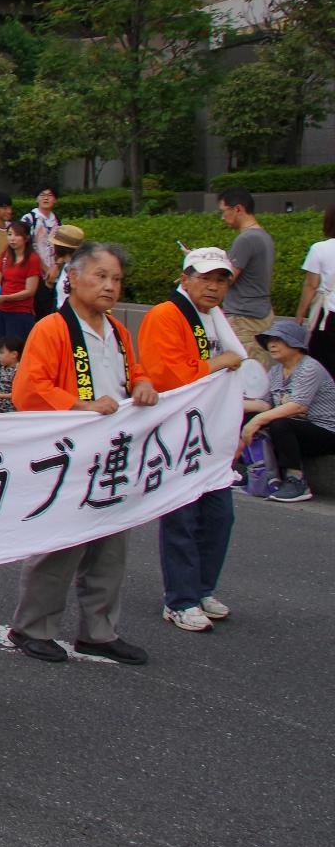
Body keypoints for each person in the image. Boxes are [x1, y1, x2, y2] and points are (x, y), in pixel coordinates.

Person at [5, 241, 159, 666]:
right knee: (61, 545)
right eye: (101, 276)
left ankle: (100, 631)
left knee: (111, 546)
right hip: (70, 457)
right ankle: (32, 627)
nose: (110, 287)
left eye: (117, 280)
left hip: (113, 455)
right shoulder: (53, 328)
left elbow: (134, 373)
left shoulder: (118, 331)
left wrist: (143, 383)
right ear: (72, 277)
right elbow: (27, 390)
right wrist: (78, 404)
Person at [135, 248, 250, 632]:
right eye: (206, 278)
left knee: (218, 517)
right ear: (185, 279)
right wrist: (222, 362)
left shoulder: (213, 318)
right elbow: (168, 377)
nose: (214, 287)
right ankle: (180, 599)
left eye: (221, 280)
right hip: (178, 435)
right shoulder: (166, 314)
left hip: (210, 435)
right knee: (183, 517)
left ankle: (200, 590)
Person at [241, 318, 335, 503]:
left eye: (278, 340)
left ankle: (296, 480)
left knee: (278, 423)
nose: (272, 345)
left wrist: (257, 421)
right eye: (269, 341)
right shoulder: (276, 371)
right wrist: (231, 405)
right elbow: (264, 404)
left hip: (326, 431)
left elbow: (298, 406)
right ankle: (259, 472)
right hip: (297, 430)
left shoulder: (310, 367)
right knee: (250, 416)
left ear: (295, 343)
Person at [219, 186, 275, 368]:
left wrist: (204, 273)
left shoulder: (245, 239)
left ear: (238, 209)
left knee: (247, 373)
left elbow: (229, 278)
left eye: (224, 211)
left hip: (243, 316)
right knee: (259, 367)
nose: (222, 217)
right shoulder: (264, 236)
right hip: (260, 312)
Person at [295, 205, 335, 374]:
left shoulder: (320, 249)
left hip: (327, 317)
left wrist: (300, 315)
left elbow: (311, 285)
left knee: (322, 366)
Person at [0, 220, 42, 345]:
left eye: (17, 235)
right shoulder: (5, 255)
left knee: (15, 348)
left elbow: (30, 291)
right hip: (1, 309)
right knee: (1, 346)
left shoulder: (33, 259)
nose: (12, 239)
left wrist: (6, 298)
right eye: (9, 234)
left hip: (20, 311)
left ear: (26, 238)